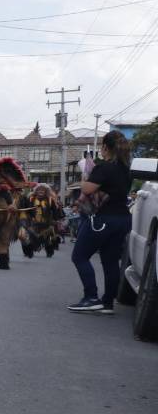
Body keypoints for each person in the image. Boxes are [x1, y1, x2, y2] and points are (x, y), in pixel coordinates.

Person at [68, 130, 133, 314]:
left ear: (105, 147)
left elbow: (88, 189)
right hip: (123, 219)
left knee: (79, 256)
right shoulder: (125, 169)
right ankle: (107, 304)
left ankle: (91, 297)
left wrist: (84, 179)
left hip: (103, 218)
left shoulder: (104, 167)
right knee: (111, 261)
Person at [18, 183, 63, 258]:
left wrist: (56, 219)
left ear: (46, 192)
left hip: (46, 224)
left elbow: (55, 210)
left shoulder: (50, 200)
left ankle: (49, 252)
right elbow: (25, 209)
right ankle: (29, 252)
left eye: (43, 190)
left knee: (47, 240)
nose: (41, 191)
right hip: (33, 223)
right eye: (39, 190)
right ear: (36, 191)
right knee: (30, 238)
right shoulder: (31, 199)